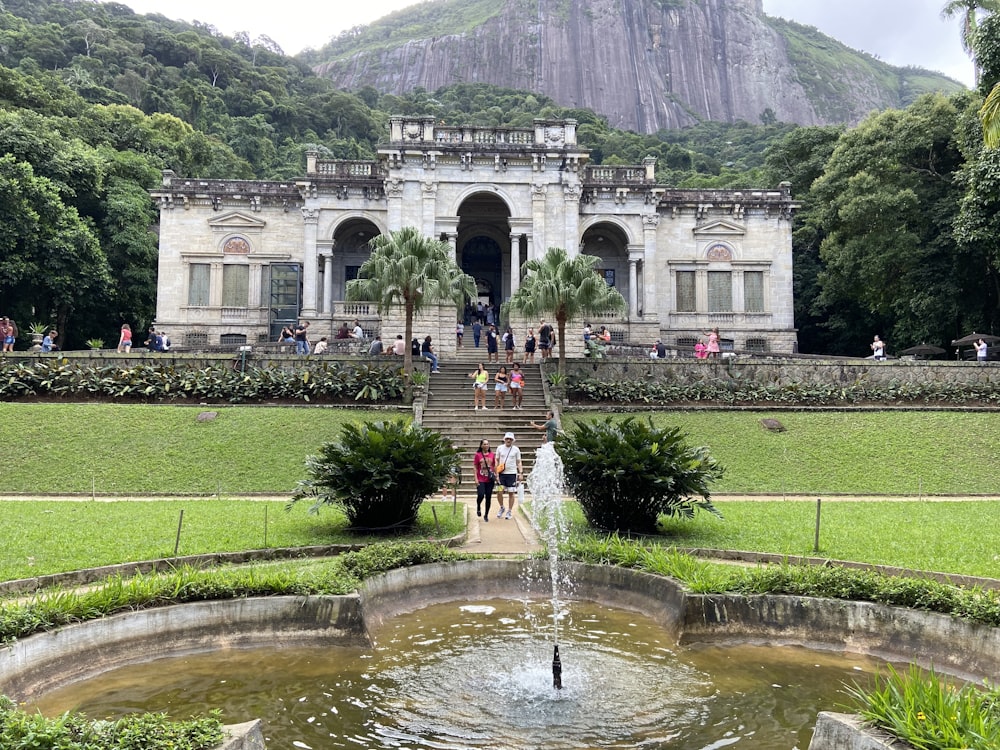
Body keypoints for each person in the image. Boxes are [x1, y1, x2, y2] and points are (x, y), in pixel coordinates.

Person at [494, 431, 523, 520]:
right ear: (504, 439)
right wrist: (496, 472)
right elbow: (497, 460)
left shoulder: (516, 449)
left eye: (510, 439)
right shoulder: (500, 448)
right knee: (499, 492)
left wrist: (521, 472)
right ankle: (502, 507)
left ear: (512, 440)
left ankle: (509, 510)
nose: (508, 440)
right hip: (502, 473)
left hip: (512, 473)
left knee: (511, 492)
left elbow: (518, 462)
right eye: (507, 439)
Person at [473, 438, 496, 521]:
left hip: (490, 479)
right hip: (481, 478)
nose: (486, 445)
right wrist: (476, 478)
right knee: (481, 494)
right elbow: (475, 467)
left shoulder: (492, 455)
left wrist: (496, 477)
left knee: (488, 497)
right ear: (481, 445)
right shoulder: (478, 455)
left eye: (487, 444)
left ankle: (486, 514)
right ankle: (478, 506)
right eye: (484, 444)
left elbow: (495, 466)